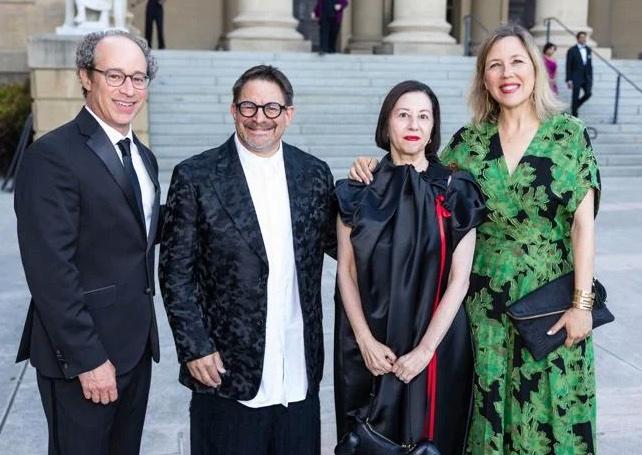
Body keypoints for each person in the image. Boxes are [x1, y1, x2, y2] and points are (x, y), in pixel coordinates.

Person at [348, 24, 600, 455]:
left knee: (552, 412)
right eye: (495, 65)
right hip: (482, 310)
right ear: (484, 78)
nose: (508, 73)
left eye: (517, 62)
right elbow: (421, 175)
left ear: (535, 69)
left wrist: (582, 306)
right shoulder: (469, 143)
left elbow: (583, 226)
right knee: (485, 415)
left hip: (551, 307)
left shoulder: (569, 135)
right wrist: (373, 167)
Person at [159, 65, 337, 455]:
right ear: (233, 110)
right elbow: (175, 273)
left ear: (288, 114)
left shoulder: (314, 174)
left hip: (297, 372)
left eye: (272, 108)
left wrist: (377, 185)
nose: (260, 117)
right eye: (249, 106)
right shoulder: (196, 175)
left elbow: (344, 245)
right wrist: (195, 346)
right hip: (225, 373)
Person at [14, 30, 161, 454]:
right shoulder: (52, 156)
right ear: (85, 76)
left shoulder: (142, 155)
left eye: (138, 77)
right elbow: (50, 272)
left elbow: (133, 233)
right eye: (115, 76)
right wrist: (89, 360)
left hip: (134, 348)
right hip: (83, 357)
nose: (129, 89)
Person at [334, 80, 485, 453]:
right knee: (366, 442)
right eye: (403, 115)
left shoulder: (457, 190)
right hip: (367, 345)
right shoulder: (356, 191)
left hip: (435, 345)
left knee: (431, 441)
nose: (413, 125)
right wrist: (366, 342)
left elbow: (459, 280)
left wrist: (425, 350)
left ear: (434, 128)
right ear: (386, 125)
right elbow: (346, 273)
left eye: (423, 116)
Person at [566, 31, 593, 116]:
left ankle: (575, 106)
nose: (583, 39)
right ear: (577, 39)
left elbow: (589, 64)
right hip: (576, 76)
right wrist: (569, 79)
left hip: (586, 77)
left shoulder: (588, 49)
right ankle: (574, 115)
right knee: (575, 96)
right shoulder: (572, 50)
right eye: (581, 37)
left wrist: (591, 76)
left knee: (588, 93)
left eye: (585, 37)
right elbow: (568, 65)